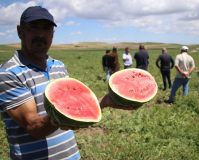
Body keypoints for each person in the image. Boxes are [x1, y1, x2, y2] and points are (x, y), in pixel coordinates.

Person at [0, 6, 134, 159]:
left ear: (53, 34)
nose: (41, 34)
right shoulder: (8, 73)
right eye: (33, 28)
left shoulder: (59, 66)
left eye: (47, 29)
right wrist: (64, 117)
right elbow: (34, 126)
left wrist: (105, 101)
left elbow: (73, 110)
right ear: (20, 31)